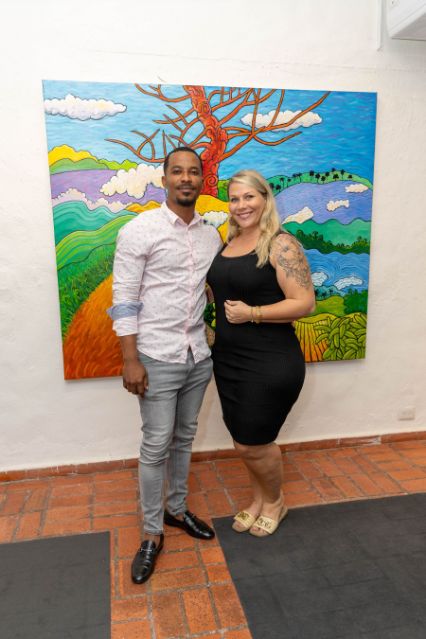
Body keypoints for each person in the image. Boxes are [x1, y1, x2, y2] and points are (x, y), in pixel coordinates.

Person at [109, 147, 222, 584]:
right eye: (178, 171)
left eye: (193, 172)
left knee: (184, 437)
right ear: (165, 179)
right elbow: (124, 299)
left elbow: (207, 286)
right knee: (156, 445)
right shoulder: (140, 230)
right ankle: (151, 533)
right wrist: (130, 359)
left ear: (201, 180)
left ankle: (176, 509)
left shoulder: (211, 235)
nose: (186, 178)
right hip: (156, 356)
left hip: (197, 356)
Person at [207, 169, 315, 537]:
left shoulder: (281, 244)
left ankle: (274, 502)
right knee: (244, 442)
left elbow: (304, 303)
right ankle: (258, 500)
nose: (241, 205)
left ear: (265, 199)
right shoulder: (230, 241)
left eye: (249, 197)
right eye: (234, 199)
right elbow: (224, 287)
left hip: (269, 361)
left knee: (255, 442)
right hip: (229, 360)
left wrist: (252, 313)